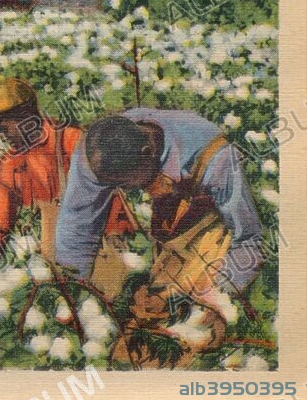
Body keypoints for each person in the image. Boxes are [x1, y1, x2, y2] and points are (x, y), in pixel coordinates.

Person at [55, 109, 266, 368]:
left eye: (128, 184)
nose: (125, 191)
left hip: (217, 244)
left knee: (190, 346)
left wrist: (210, 299)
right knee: (132, 345)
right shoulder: (96, 152)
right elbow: (77, 228)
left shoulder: (212, 156)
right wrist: (71, 293)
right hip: (171, 250)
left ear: (148, 152)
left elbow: (250, 241)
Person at [0, 78, 135, 262]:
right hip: (43, 259)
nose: (3, 136)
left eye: (4, 129)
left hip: (92, 249)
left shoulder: (72, 142)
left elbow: (109, 195)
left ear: (25, 116)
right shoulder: (9, 166)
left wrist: (115, 234)